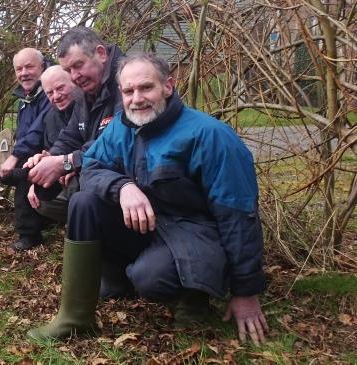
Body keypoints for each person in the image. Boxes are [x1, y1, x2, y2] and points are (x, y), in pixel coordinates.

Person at [28, 54, 269, 345]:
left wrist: (245, 292)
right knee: (83, 201)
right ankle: (75, 317)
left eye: (146, 88)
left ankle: (194, 297)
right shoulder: (121, 127)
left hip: (194, 233)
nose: (137, 99)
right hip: (149, 227)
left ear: (168, 86)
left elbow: (239, 215)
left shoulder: (211, 135)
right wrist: (123, 187)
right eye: (128, 92)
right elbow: (91, 167)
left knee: (150, 278)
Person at [25, 27, 123, 194]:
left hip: (129, 178)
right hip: (97, 174)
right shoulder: (87, 89)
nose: (75, 76)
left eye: (78, 65)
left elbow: (116, 144)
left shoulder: (127, 82)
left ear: (101, 53)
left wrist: (67, 162)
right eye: (68, 71)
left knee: (81, 199)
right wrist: (50, 158)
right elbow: (71, 136)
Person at [0, 48, 51, 250]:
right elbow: (24, 132)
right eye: (19, 69)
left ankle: (29, 235)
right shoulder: (26, 97)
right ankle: (37, 218)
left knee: (21, 173)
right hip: (33, 150)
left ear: (42, 66)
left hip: (51, 150)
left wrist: (16, 155)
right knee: (8, 175)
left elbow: (40, 128)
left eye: (29, 67)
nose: (24, 73)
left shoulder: (49, 90)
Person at [25, 66, 84, 222]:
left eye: (60, 88)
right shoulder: (50, 117)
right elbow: (53, 149)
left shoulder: (87, 106)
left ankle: (82, 234)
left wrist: (73, 166)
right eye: (49, 93)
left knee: (79, 191)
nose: (56, 96)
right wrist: (40, 175)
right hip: (63, 175)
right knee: (38, 198)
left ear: (74, 82)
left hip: (89, 172)